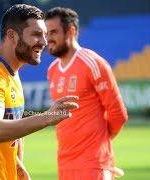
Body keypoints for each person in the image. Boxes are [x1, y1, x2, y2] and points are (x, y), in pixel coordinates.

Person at [0, 4, 79, 180]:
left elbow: (7, 133)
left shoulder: (10, 73)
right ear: (11, 35)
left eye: (45, 35)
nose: (44, 42)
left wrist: (18, 168)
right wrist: (46, 117)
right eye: (37, 34)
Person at [45, 7, 128, 180]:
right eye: (46, 33)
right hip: (65, 163)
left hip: (93, 163)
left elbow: (118, 114)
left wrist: (99, 143)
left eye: (53, 32)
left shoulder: (93, 63)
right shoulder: (52, 70)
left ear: (71, 31)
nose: (48, 39)